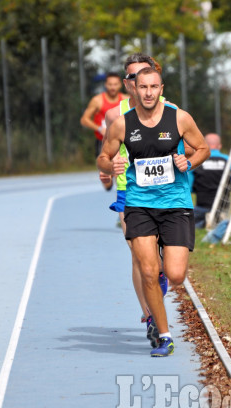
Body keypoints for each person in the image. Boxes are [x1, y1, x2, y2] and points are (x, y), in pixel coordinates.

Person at [97, 67, 210, 356]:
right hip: (139, 204)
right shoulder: (122, 124)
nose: (148, 92)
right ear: (134, 89)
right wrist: (111, 166)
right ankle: (163, 334)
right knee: (148, 271)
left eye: (154, 87)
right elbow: (103, 157)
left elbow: (203, 148)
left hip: (175, 205)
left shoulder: (179, 118)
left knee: (174, 274)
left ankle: (163, 264)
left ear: (161, 88)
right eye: (143, 87)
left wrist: (189, 161)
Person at [98, 54, 168, 338]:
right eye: (132, 76)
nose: (138, 80)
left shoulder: (171, 110)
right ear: (129, 83)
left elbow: (188, 147)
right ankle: (151, 316)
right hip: (130, 191)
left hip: (166, 192)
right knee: (140, 257)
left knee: (161, 261)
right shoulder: (115, 115)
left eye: (144, 73)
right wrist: (106, 168)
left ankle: (159, 279)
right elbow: (106, 151)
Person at [80, 72, 129, 190]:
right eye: (110, 84)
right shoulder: (97, 100)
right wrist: (99, 128)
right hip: (103, 142)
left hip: (121, 143)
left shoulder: (127, 99)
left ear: (120, 85)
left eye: (115, 84)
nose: (113, 87)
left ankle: (123, 201)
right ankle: (110, 182)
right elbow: (84, 119)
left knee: (120, 173)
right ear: (105, 85)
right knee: (107, 183)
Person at [190, 133, 231, 229]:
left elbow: (189, 188)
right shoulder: (229, 161)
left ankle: (205, 220)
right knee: (221, 221)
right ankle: (218, 219)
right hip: (223, 206)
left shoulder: (196, 160)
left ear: (204, 145)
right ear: (219, 146)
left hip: (202, 205)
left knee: (190, 225)